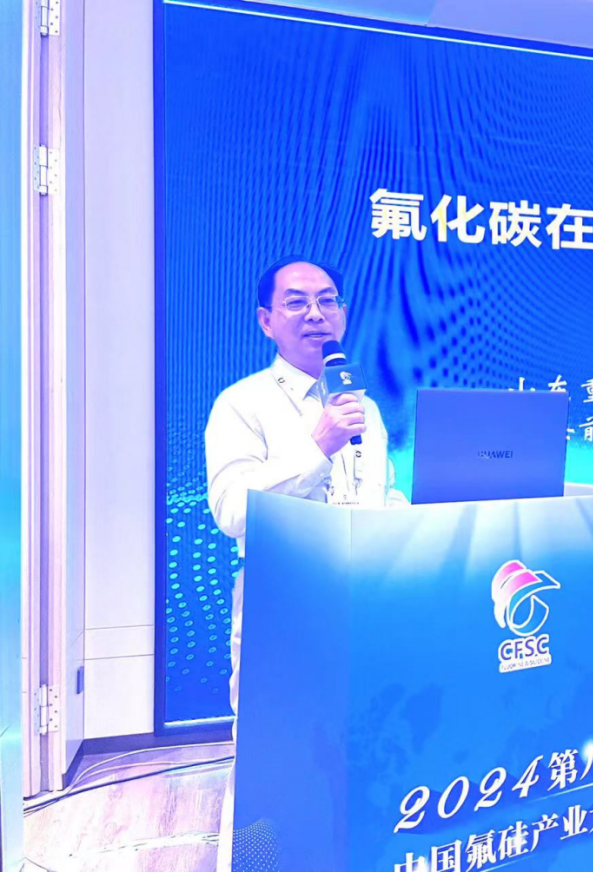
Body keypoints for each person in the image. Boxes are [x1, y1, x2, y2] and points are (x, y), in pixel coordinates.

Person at [204, 257, 407, 870]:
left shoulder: (362, 406)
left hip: (365, 604)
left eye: (328, 300)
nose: (316, 314)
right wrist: (316, 444)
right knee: (274, 762)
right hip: (283, 612)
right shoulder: (241, 405)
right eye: (296, 302)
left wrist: (404, 515)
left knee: (361, 748)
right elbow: (231, 510)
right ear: (267, 320)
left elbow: (376, 493)